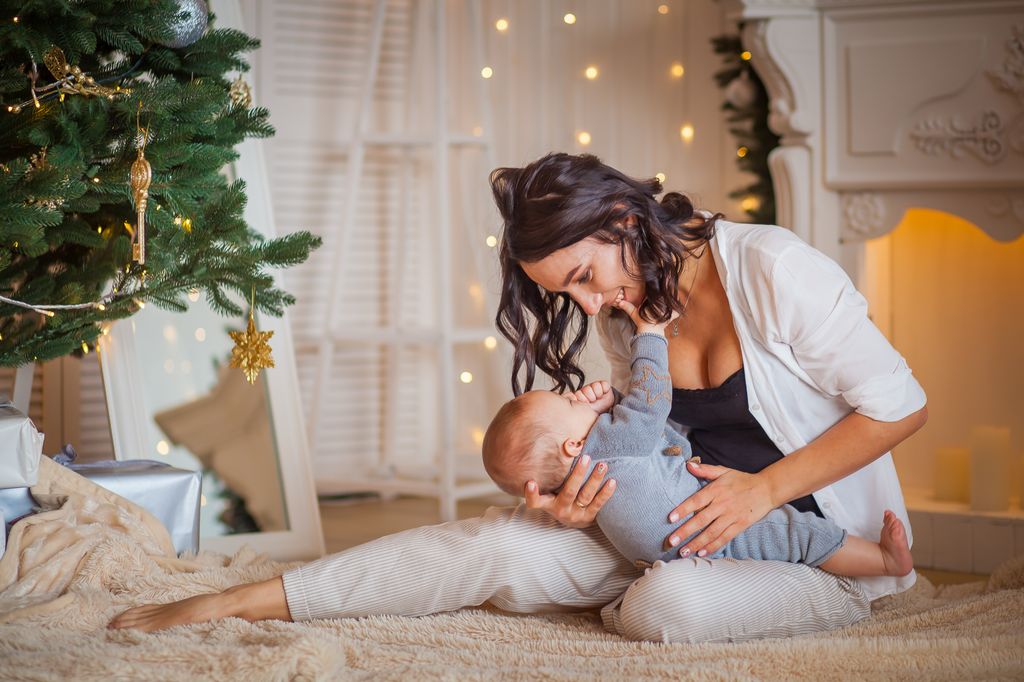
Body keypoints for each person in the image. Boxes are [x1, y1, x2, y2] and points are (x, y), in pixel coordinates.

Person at [108, 152, 928, 643]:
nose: (586, 305)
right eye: (564, 293)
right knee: (494, 542)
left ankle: (680, 600)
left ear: (620, 218)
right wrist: (586, 501)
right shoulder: (628, 309)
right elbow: (641, 446)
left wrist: (762, 494)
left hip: (806, 542)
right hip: (672, 529)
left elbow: (904, 404)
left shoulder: (772, 269)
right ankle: (239, 602)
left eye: (582, 277)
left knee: (668, 604)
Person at [482, 295, 914, 578]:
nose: (578, 396)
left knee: (792, 532)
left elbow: (641, 433)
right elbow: (649, 404)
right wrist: (649, 337)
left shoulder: (603, 454)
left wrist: (605, 401)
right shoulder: (608, 447)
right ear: (573, 446)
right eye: (570, 404)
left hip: (680, 550)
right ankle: (883, 560)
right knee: (795, 535)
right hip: (714, 535)